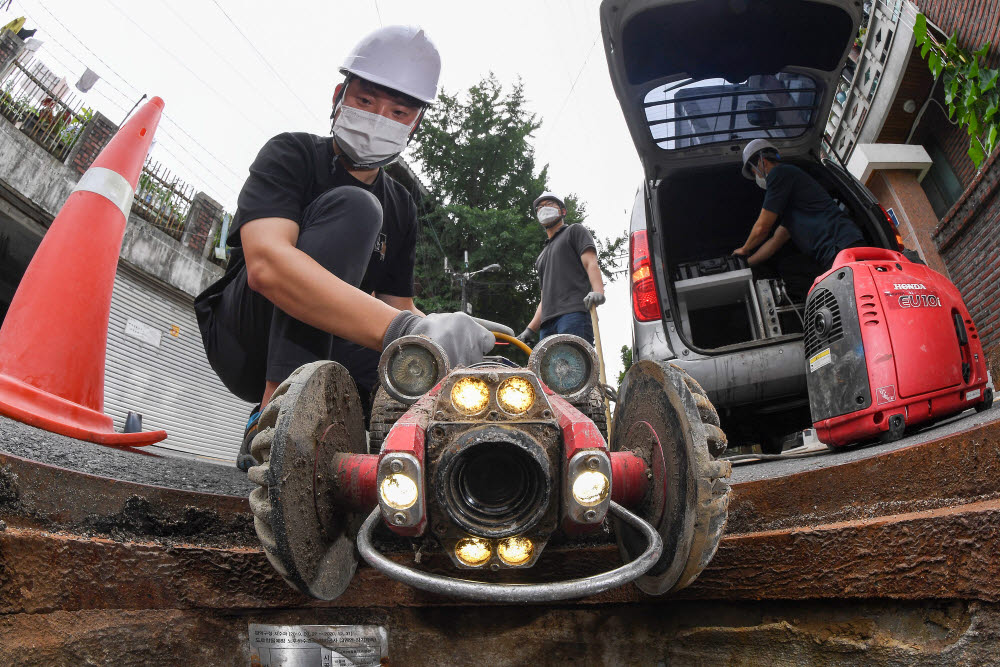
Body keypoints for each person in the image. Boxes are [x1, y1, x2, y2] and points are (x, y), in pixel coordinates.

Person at [195, 26, 494, 471]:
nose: (379, 120)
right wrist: (407, 327)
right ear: (339, 95)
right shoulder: (291, 154)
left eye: (398, 112)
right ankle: (274, 420)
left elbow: (397, 307)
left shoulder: (402, 207)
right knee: (357, 209)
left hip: (326, 340)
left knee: (417, 362)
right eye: (366, 101)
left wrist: (442, 337)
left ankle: (397, 458)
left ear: (414, 124)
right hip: (247, 334)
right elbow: (266, 265)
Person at [733, 139, 865, 298]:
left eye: (754, 171)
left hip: (840, 245)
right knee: (791, 269)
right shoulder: (792, 209)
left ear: (762, 161)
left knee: (856, 298)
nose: (756, 177)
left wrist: (744, 249)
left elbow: (763, 227)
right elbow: (775, 242)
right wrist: (747, 264)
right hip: (832, 252)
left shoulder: (779, 173)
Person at [516, 192, 606, 346]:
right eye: (540, 207)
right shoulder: (541, 257)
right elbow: (544, 297)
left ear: (563, 211)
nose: (544, 208)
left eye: (549, 204)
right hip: (547, 324)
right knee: (548, 370)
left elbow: (590, 263)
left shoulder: (574, 231)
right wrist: (530, 329)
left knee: (575, 366)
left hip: (573, 314)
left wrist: (598, 292)